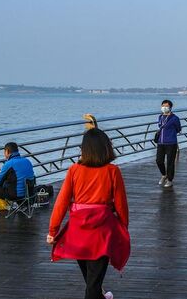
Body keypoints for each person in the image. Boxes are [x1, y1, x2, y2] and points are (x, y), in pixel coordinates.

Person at [48, 128, 129, 299]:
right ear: (106, 147)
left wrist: (53, 231)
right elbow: (121, 204)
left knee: (91, 278)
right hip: (101, 232)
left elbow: (61, 202)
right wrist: (123, 227)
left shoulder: (74, 170)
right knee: (93, 281)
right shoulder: (112, 171)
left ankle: (99, 295)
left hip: (78, 231)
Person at [0, 142, 35, 219]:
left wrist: (0, 174)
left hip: (15, 195)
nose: (4, 154)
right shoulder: (27, 161)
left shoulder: (9, 164)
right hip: (29, 194)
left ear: (7, 151)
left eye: (4, 152)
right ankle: (23, 205)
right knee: (18, 182)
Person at [156, 100, 181, 188]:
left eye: (166, 106)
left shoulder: (175, 118)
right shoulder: (160, 117)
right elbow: (159, 126)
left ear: (170, 107)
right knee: (159, 161)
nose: (164, 107)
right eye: (163, 106)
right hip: (160, 142)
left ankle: (170, 180)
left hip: (171, 143)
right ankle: (164, 175)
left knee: (170, 162)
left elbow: (178, 129)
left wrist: (171, 134)